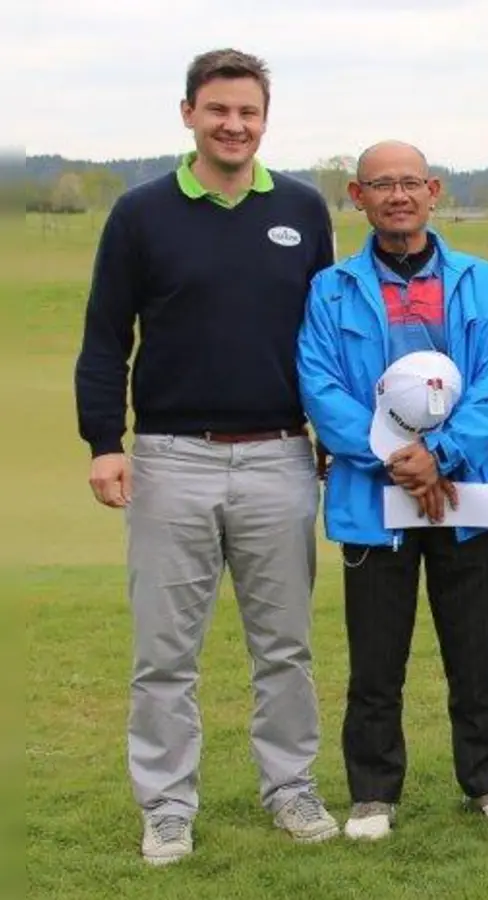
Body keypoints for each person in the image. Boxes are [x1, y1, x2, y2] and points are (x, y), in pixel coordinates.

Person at [72, 48, 339, 865]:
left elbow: (328, 338)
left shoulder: (301, 207)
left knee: (285, 648)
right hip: (169, 461)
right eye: (218, 109)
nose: (234, 125)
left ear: (265, 119)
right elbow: (105, 337)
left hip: (280, 458)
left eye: (248, 112)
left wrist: (335, 434)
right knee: (164, 656)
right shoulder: (141, 213)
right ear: (188, 112)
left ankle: (291, 789)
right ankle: (166, 807)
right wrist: (101, 444)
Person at [297, 140, 488, 841]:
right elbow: (321, 385)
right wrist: (399, 460)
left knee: (474, 652)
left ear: (433, 192)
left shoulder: (478, 282)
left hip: (464, 496)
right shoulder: (330, 290)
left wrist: (442, 455)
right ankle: (373, 794)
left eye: (409, 184)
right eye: (380, 185)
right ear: (356, 197)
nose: (397, 196)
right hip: (374, 501)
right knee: (375, 658)